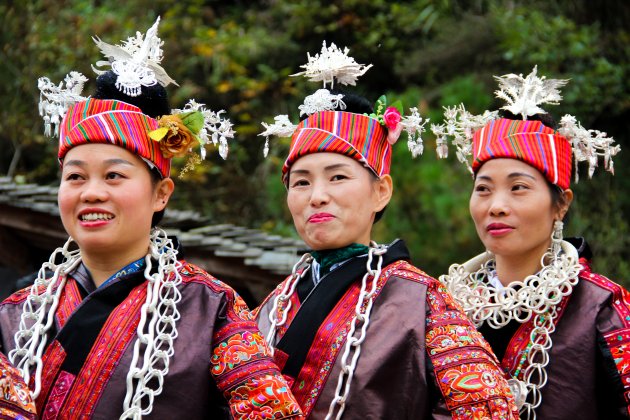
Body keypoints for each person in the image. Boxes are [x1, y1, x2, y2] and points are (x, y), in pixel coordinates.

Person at [0, 18, 302, 419]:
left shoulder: (211, 308)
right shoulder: (16, 314)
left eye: (114, 175)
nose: (91, 192)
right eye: (75, 176)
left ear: (161, 193)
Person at [254, 42, 518, 419]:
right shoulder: (271, 306)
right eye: (301, 183)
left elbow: (489, 410)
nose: (317, 197)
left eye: (338, 177)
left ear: (381, 192)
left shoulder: (422, 302)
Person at [434, 67, 626, 419]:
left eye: (518, 187)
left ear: (561, 203)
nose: (496, 205)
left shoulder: (602, 310)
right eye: (483, 189)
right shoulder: (442, 309)